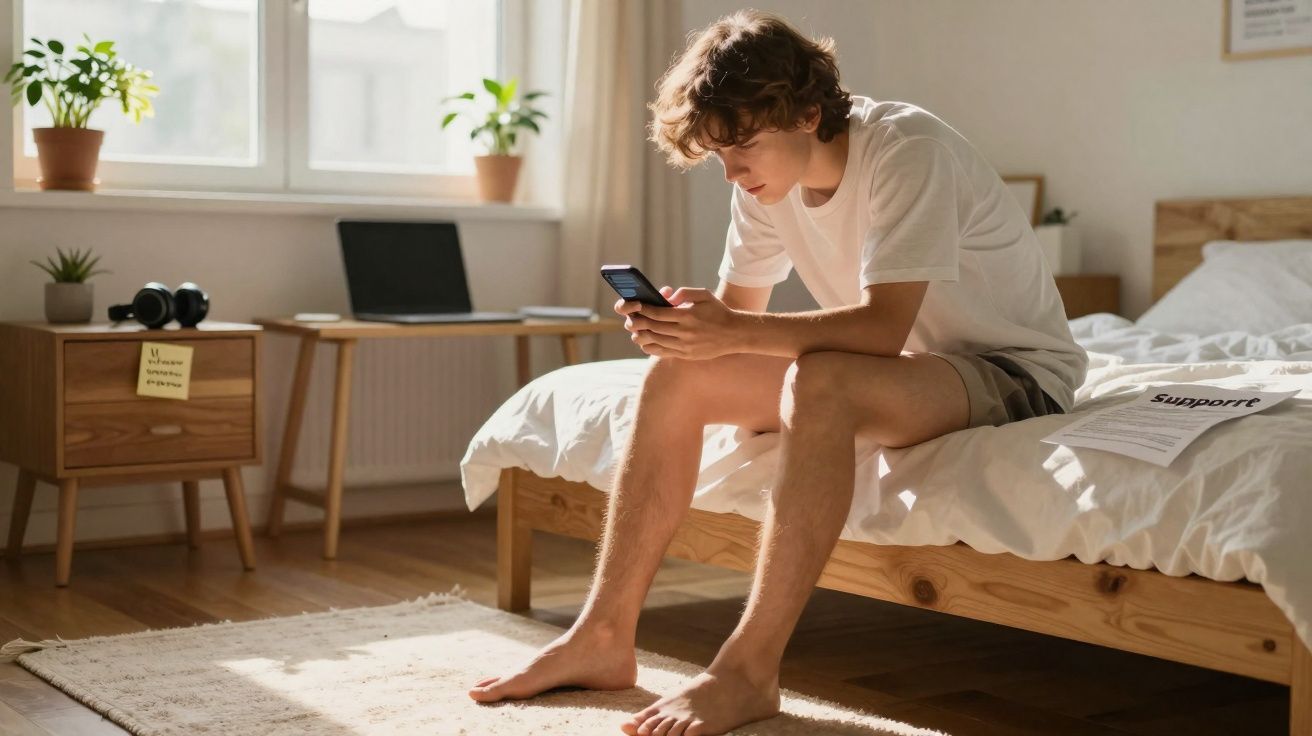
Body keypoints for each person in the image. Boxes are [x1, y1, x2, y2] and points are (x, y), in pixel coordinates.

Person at [469, 10, 1087, 736]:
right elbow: (741, 319)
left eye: (742, 148)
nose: (730, 172)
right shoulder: (762, 184)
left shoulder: (906, 149)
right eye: (718, 155)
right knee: (678, 376)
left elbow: (882, 330)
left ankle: (748, 670)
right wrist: (692, 333)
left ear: (808, 112)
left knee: (821, 381)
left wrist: (730, 330)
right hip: (906, 372)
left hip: (1007, 370)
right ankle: (602, 636)